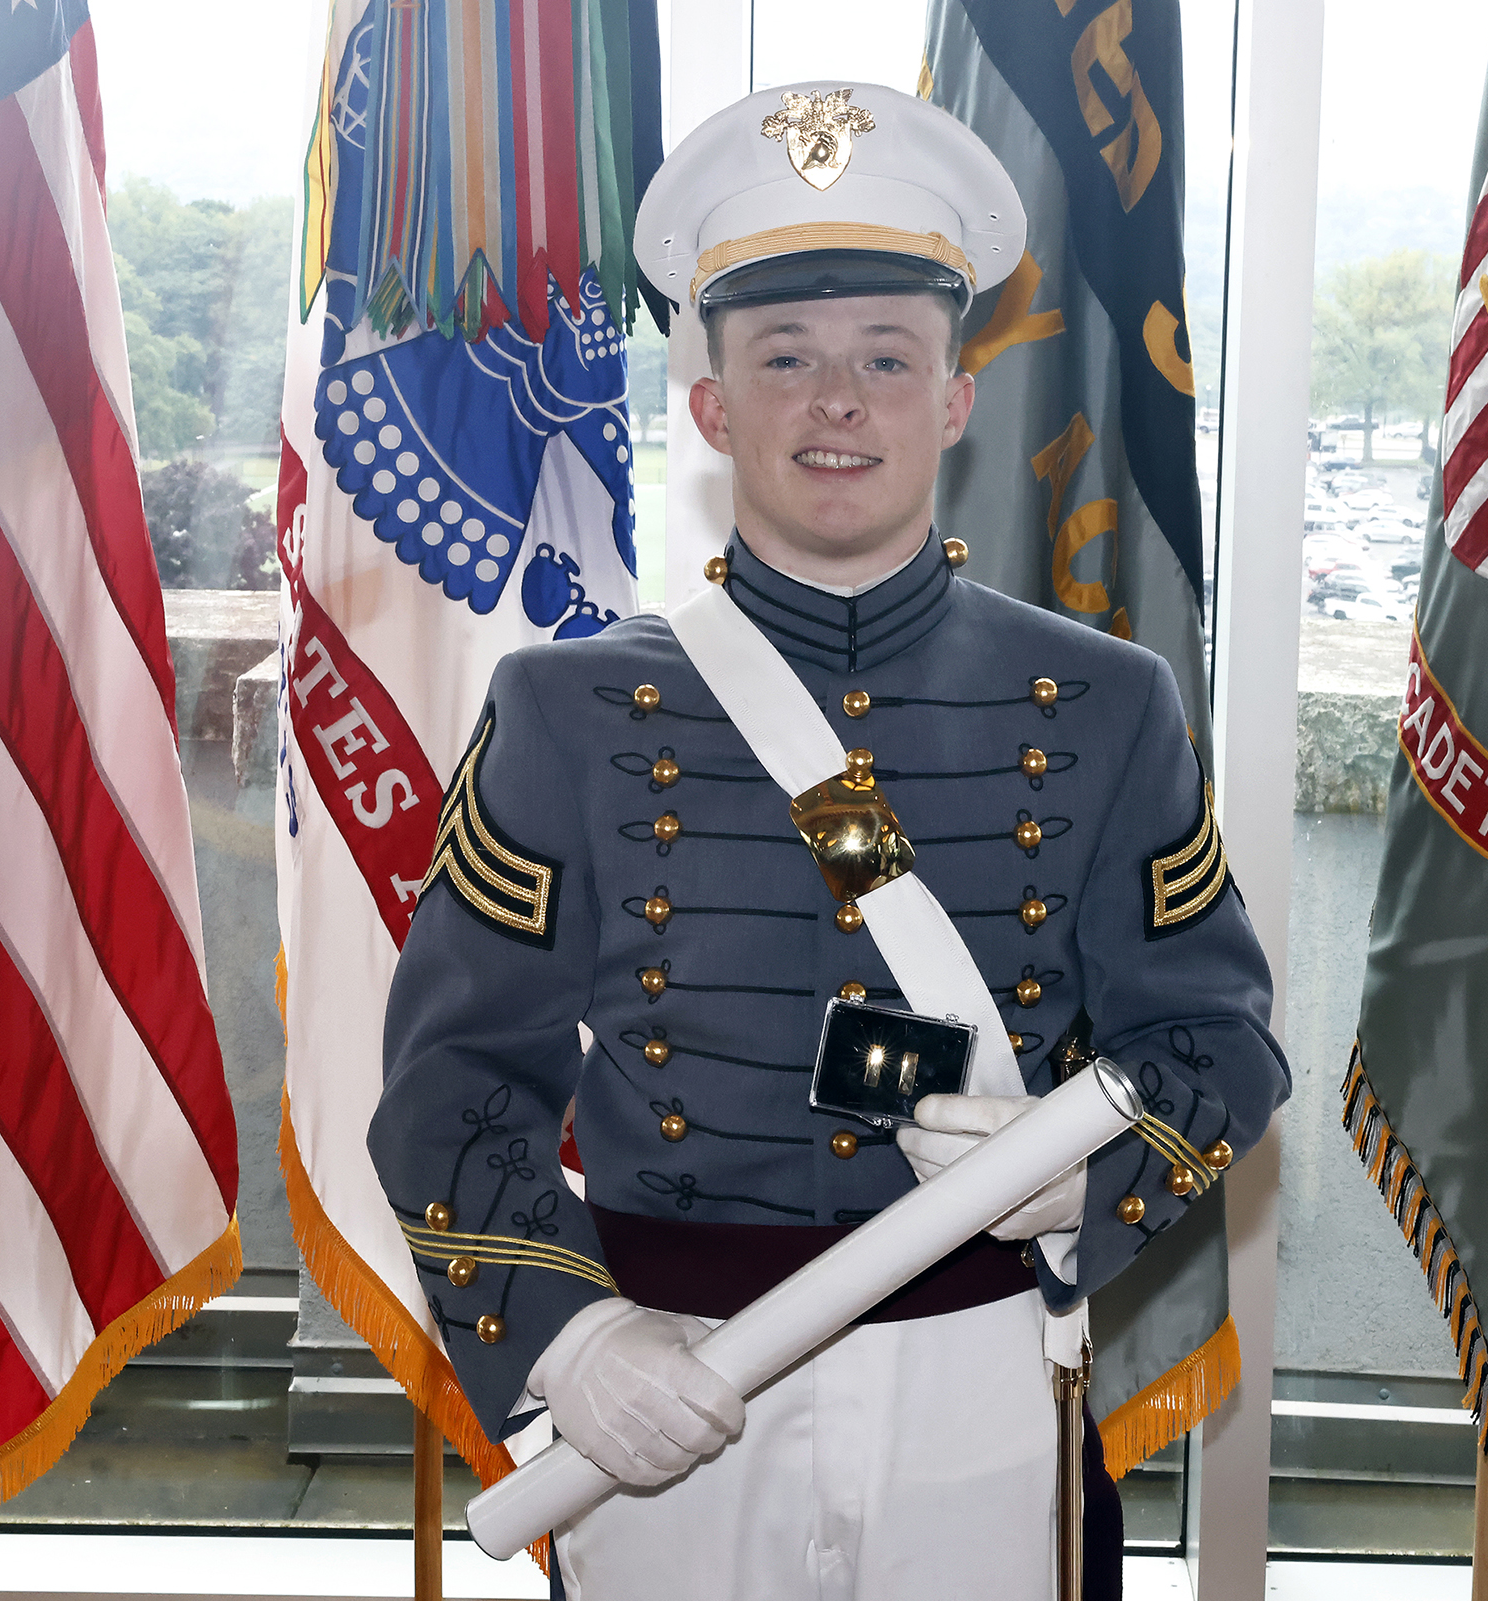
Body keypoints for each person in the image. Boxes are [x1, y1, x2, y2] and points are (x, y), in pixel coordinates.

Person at [370, 79, 1289, 1601]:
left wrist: (1090, 1165)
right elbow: (452, 1080)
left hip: (984, 1379)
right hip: (675, 1389)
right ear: (713, 405)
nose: (838, 401)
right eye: (784, 359)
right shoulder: (563, 707)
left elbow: (1219, 1041)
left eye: (886, 358)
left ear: (953, 399)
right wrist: (577, 1338)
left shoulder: (1114, 704)